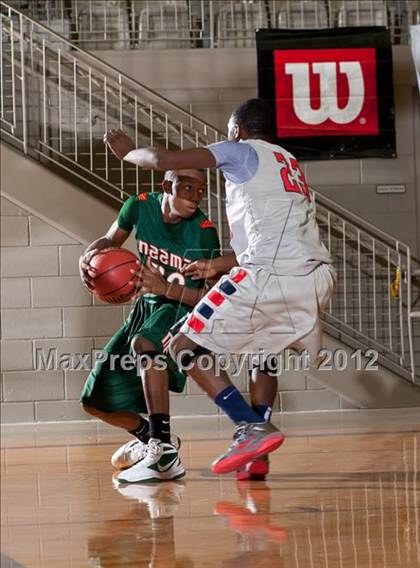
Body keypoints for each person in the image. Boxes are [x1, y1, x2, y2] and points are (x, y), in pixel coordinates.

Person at [104, 98, 336, 481]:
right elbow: (270, 240)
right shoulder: (289, 165)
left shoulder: (241, 151)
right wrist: (215, 265)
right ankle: (256, 455)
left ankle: (250, 428)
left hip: (271, 275)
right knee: (264, 355)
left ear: (237, 131)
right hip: (315, 278)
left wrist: (129, 153)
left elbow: (162, 160)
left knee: (181, 346)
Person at [79, 167, 220, 482]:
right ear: (167, 185)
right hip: (146, 307)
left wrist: (166, 289)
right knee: (94, 401)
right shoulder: (139, 206)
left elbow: (211, 299)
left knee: (145, 344)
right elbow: (109, 239)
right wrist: (89, 257)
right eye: (187, 188)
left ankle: (162, 451)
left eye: (201, 190)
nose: (196, 196)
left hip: (181, 308)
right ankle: (149, 438)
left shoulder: (203, 230)